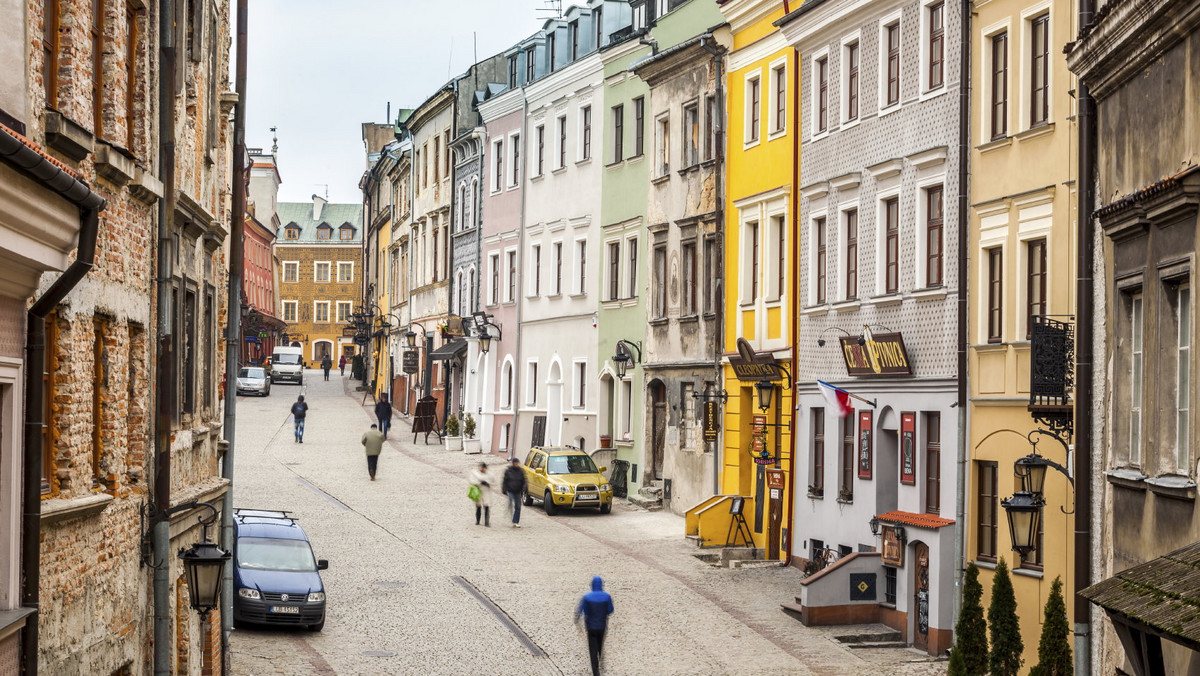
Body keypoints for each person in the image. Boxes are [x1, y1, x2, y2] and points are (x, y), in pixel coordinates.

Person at [575, 576, 614, 676]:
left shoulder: (587, 597)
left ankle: (595, 671)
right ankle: (601, 659)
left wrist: (578, 621)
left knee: (592, 648)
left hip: (591, 626)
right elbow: (610, 610)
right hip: (602, 626)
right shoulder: (606, 596)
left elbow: (583, 610)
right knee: (600, 644)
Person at [501, 457, 527, 528]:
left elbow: (524, 481)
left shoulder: (521, 471)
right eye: (514, 463)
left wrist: (524, 488)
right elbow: (505, 480)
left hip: (518, 491)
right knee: (511, 503)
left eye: (517, 463)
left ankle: (515, 521)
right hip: (510, 490)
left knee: (518, 507)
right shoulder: (508, 471)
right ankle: (509, 514)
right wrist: (504, 489)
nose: (516, 464)